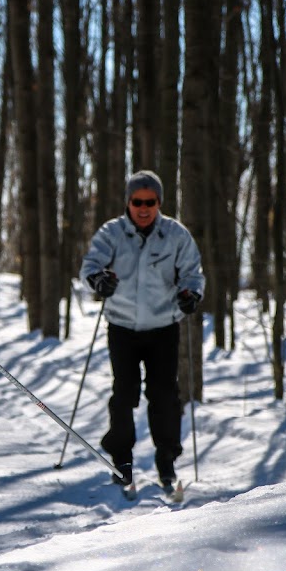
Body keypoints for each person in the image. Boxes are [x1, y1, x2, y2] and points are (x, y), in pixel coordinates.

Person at [79, 170, 204, 493]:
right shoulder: (113, 233)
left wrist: (191, 294)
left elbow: (192, 273)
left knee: (164, 395)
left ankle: (167, 459)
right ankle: (122, 459)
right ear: (128, 202)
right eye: (138, 202)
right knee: (124, 392)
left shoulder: (175, 234)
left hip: (164, 326)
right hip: (122, 325)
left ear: (159, 202)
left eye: (150, 202)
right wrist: (99, 280)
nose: (144, 208)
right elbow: (90, 266)